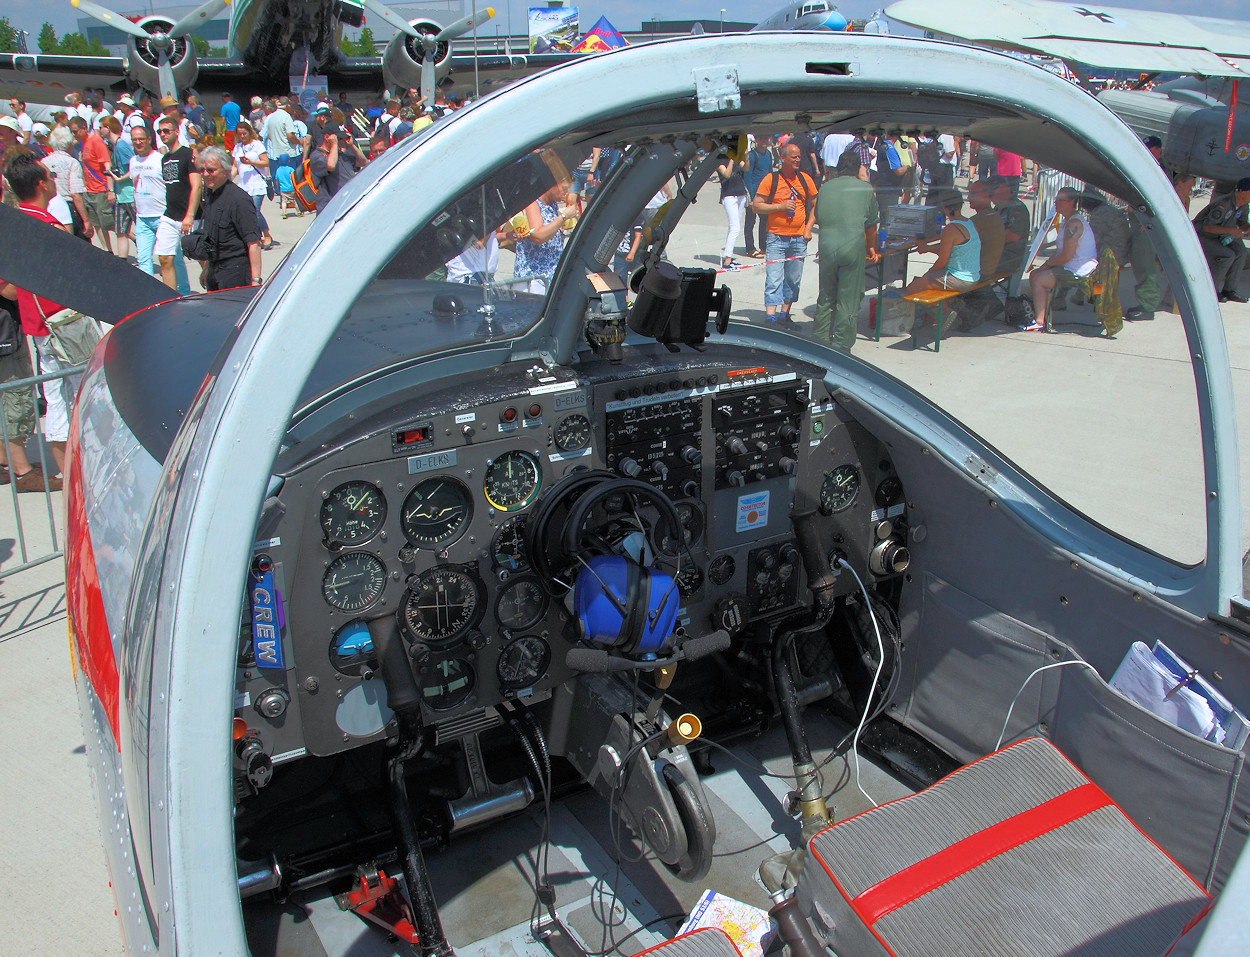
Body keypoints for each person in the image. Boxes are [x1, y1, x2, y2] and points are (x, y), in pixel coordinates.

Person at [1, 153, 89, 481]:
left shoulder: (13, 225)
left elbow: (8, 288)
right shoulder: (47, 226)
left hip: (38, 328)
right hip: (65, 324)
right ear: (41, 183)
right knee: (84, 394)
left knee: (55, 400)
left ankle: (67, 475)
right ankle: (86, 470)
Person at [813, 151, 880, 351]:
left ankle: (819, 342)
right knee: (848, 300)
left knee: (826, 296)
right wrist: (871, 246)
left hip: (826, 246)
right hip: (852, 248)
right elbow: (871, 224)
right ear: (858, 167)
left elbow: (819, 217)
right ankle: (842, 347)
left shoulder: (825, 188)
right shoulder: (865, 189)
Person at [751, 142, 818, 324]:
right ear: (782, 157)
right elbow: (756, 206)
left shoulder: (805, 179)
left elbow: (816, 204)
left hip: (798, 238)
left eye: (799, 156)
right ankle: (770, 317)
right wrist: (780, 206)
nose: (798, 159)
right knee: (774, 278)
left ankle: (784, 314)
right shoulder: (771, 179)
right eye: (793, 156)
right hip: (775, 237)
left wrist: (808, 228)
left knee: (793, 279)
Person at [1023, 186, 1099, 331]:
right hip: (1072, 265)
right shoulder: (1067, 221)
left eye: (1059, 200)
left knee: (1038, 279)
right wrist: (1045, 266)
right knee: (1035, 274)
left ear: (1070, 203)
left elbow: (1066, 256)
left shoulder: (1074, 224)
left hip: (1080, 270)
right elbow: (1060, 251)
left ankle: (1040, 321)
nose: (1055, 203)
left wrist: (1047, 265)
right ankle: (1041, 316)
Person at [190, 146, 263, 291]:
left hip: (235, 272)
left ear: (225, 170)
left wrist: (256, 280)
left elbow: (253, 242)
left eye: (211, 170)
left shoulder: (239, 199)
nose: (205, 174)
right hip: (215, 270)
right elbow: (212, 238)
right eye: (202, 170)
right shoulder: (210, 195)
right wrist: (206, 269)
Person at [903, 188, 981, 295]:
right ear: (961, 205)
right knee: (922, 282)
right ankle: (947, 308)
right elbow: (957, 251)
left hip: (959, 279)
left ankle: (946, 311)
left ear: (944, 208)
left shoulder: (951, 229)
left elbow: (942, 261)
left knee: (911, 289)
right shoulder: (970, 223)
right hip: (973, 276)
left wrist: (928, 273)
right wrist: (928, 248)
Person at [111, 124, 164, 279]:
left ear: (149, 139)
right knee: (143, 259)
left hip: (161, 216)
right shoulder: (133, 161)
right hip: (142, 217)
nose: (138, 142)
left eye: (141, 139)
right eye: (135, 140)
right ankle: (149, 295)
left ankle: (182, 291)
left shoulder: (159, 159)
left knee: (169, 259)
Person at [155, 117, 200, 295]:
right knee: (165, 258)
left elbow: (196, 186)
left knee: (202, 257)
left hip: (191, 217)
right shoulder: (164, 158)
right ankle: (171, 298)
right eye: (160, 131)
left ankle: (213, 288)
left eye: (166, 130)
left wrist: (189, 215)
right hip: (169, 216)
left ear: (176, 131)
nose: (163, 134)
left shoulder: (188, 154)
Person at [1192, 177, 1250, 303]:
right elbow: (1207, 227)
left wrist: (1247, 228)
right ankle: (1211, 290)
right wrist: (1230, 231)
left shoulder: (1244, 205)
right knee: (1227, 255)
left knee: (1241, 252)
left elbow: (1242, 222)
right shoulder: (1223, 203)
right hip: (1202, 237)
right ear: (1244, 192)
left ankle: (1229, 290)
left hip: (1220, 237)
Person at [514, 180, 574, 294]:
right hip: (534, 279)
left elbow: (550, 230)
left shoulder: (552, 204)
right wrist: (564, 217)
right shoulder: (533, 203)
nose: (566, 193)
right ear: (552, 185)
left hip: (550, 276)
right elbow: (538, 236)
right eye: (564, 189)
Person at [69, 116, 116, 253]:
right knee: (97, 224)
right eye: (71, 132)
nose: (73, 134)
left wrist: (110, 189)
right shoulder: (83, 143)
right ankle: (107, 250)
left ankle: (131, 237)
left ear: (84, 128)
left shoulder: (96, 141)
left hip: (101, 188)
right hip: (89, 189)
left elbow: (107, 165)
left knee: (108, 223)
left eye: (75, 131)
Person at [40, 127, 92, 242]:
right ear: (69, 144)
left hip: (48, 207)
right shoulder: (72, 163)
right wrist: (86, 220)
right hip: (69, 209)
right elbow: (75, 194)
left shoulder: (43, 162)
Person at [230, 120, 276, 250]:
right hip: (244, 184)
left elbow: (266, 162)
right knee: (247, 212)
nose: (242, 136)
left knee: (254, 211)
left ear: (249, 132)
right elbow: (234, 166)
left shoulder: (257, 145)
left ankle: (267, 234)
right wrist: (228, 179)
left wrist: (251, 161)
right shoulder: (238, 147)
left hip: (257, 183)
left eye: (244, 133)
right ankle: (257, 236)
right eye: (240, 134)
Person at [101, 116, 135, 260]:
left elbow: (132, 167)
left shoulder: (121, 146)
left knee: (142, 228)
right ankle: (122, 260)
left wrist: (120, 178)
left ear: (108, 128)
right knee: (120, 231)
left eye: (101, 126)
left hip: (130, 194)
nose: (99, 129)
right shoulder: (115, 146)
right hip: (121, 195)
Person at [988, 176, 1030, 275]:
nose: (989, 196)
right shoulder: (999, 206)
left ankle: (982, 290)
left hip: (1008, 258)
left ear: (1002, 189)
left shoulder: (1016, 207)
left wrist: (986, 236)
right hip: (995, 254)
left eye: (991, 193)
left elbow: (1013, 236)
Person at [743, 135, 774, 258]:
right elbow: (747, 177)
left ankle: (764, 247)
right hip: (753, 194)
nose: (764, 140)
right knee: (750, 222)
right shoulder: (752, 155)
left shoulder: (768, 154)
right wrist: (751, 197)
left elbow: (770, 174)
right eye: (761, 139)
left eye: (766, 138)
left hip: (765, 195)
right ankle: (750, 248)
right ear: (755, 141)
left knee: (765, 221)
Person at [717, 154, 747, 271]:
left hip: (741, 194)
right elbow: (727, 174)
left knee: (733, 227)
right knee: (735, 228)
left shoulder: (737, 158)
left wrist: (745, 155)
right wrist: (731, 160)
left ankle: (729, 256)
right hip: (729, 196)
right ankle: (727, 260)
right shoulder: (719, 161)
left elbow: (746, 168)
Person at [872, 132, 906, 213]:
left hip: (883, 188)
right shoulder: (889, 148)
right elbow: (898, 171)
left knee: (885, 218)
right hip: (890, 190)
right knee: (888, 220)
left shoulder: (882, 146)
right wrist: (906, 166)